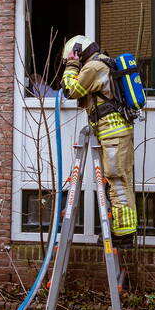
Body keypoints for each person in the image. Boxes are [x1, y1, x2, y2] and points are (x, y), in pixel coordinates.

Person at [61, 35, 137, 248]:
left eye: (72, 56)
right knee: (118, 180)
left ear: (78, 52)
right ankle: (123, 231)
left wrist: (71, 67)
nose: (70, 60)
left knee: (117, 180)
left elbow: (70, 90)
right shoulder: (103, 62)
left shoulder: (93, 67)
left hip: (113, 134)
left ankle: (123, 236)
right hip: (114, 132)